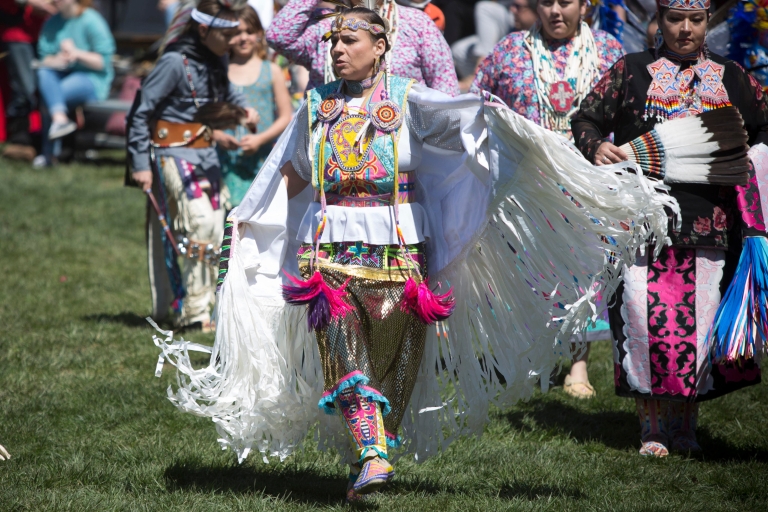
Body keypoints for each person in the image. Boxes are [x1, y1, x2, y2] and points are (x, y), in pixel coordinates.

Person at [152, 5, 671, 502]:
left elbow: (464, 126)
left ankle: (366, 462)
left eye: (348, 40)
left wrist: (497, 121)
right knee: (344, 353)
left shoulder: (410, 101)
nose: (336, 50)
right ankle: (375, 452)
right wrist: (250, 216)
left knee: (392, 370)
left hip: (401, 257)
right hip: (328, 254)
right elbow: (290, 171)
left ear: (380, 47)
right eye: (332, 41)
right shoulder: (316, 107)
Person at [572, 0, 768, 456]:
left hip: (711, 225)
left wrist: (751, 163)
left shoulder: (733, 77)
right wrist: (597, 144)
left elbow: (762, 128)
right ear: (659, 22)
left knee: (697, 329)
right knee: (644, 322)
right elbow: (585, 118)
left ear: (706, 23)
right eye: (675, 19)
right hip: (641, 222)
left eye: (695, 20)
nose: (684, 29)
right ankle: (652, 429)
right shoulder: (631, 70)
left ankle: (686, 429)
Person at [471, 0, 624, 398]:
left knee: (583, 269)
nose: (556, 11)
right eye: (545, 2)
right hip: (526, 183)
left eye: (566, 1)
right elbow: (478, 103)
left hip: (585, 178)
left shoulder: (608, 50)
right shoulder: (510, 51)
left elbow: (625, 112)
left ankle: (577, 365)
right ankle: (526, 359)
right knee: (527, 273)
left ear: (585, 4)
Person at [128, 0, 258, 330]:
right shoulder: (174, 62)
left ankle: (210, 308)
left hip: (206, 156)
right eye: (226, 34)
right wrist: (140, 164)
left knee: (217, 229)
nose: (232, 41)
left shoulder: (216, 60)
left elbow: (231, 94)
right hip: (174, 156)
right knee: (198, 225)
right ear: (203, 30)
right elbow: (141, 112)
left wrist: (245, 111)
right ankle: (193, 312)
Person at [265, 0, 460, 96]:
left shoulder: (416, 23)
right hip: (330, 143)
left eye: (349, 41)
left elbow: (446, 90)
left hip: (405, 149)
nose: (339, 47)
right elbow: (278, 36)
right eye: (335, 42)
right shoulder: (323, 24)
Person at [217, 6, 292, 208]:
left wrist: (260, 139)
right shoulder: (219, 71)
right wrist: (218, 135)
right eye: (236, 33)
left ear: (259, 34)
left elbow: (286, 116)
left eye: (249, 32)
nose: (243, 38)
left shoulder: (272, 70)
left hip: (261, 160)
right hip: (225, 161)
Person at [34, 0, 115, 167]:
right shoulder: (52, 22)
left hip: (92, 78)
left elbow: (103, 62)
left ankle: (49, 154)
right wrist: (57, 59)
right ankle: (60, 120)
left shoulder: (91, 19)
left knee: (52, 95)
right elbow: (45, 58)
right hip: (62, 74)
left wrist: (76, 54)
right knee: (44, 73)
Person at [0, 0, 54, 162]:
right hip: (18, 32)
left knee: (45, 85)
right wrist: (31, 3)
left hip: (48, 32)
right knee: (24, 87)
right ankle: (19, 140)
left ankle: (45, 140)